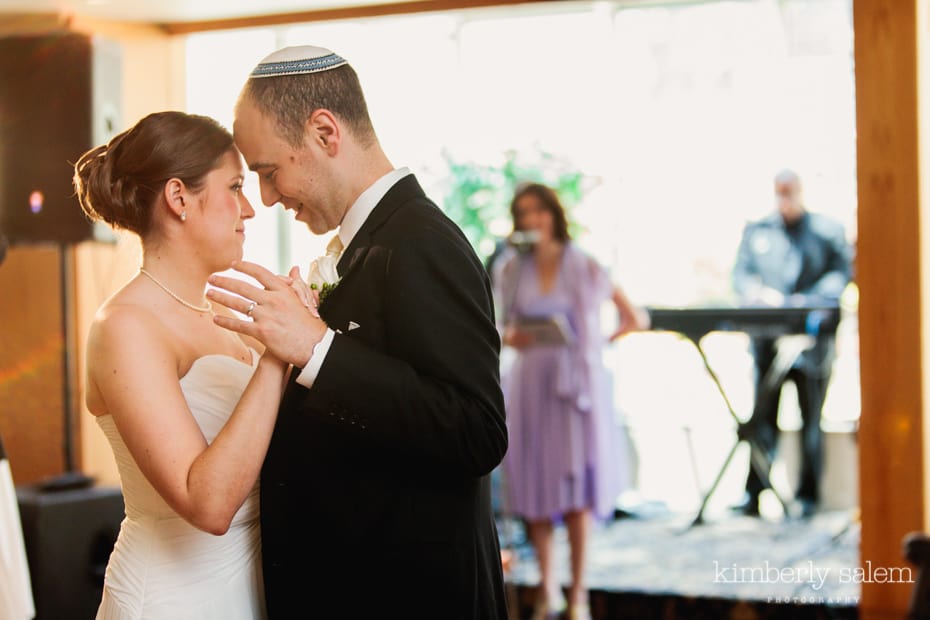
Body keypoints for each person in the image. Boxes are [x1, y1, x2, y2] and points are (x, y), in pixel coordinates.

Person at [206, 46, 509, 618]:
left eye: (270, 172)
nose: (267, 198)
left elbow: (478, 431)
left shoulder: (421, 243)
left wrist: (317, 350)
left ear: (325, 132)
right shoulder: (374, 241)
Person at [73, 111, 292, 619]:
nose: (250, 209)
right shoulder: (125, 326)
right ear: (178, 199)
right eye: (235, 187)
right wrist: (277, 357)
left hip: (255, 588)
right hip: (176, 598)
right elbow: (207, 504)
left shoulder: (224, 313)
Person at [494, 183, 649, 620]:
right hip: (529, 384)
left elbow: (635, 317)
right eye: (522, 214)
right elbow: (500, 325)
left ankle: (578, 592)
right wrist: (516, 336)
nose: (530, 221)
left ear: (552, 214)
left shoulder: (583, 264)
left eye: (537, 212)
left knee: (576, 486)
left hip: (574, 389)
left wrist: (594, 345)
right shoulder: (509, 268)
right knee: (534, 483)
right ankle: (548, 588)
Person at [732, 169, 853, 518]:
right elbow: (741, 275)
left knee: (810, 417)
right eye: (779, 192)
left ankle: (808, 497)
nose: (785, 199)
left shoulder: (826, 232)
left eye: (791, 191)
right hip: (767, 341)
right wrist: (757, 294)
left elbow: (841, 274)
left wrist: (805, 302)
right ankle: (754, 493)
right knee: (761, 416)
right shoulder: (758, 231)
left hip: (812, 343)